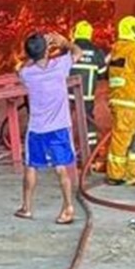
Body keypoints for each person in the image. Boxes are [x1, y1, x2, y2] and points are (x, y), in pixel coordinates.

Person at [15, 31, 83, 225]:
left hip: (36, 129)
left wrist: (36, 53)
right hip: (59, 128)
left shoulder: (27, 74)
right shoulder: (60, 66)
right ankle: (68, 207)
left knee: (31, 166)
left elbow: (22, 66)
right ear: (47, 52)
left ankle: (27, 208)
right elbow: (78, 52)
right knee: (62, 169)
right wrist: (64, 42)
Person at [105, 15, 135, 186]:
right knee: (122, 138)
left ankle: (130, 174)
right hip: (129, 102)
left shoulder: (117, 50)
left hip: (120, 101)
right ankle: (115, 175)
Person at [68, 20, 108, 148]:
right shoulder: (97, 52)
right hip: (86, 96)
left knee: (64, 121)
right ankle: (90, 151)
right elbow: (102, 73)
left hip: (67, 94)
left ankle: (63, 149)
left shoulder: (69, 50)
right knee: (87, 121)